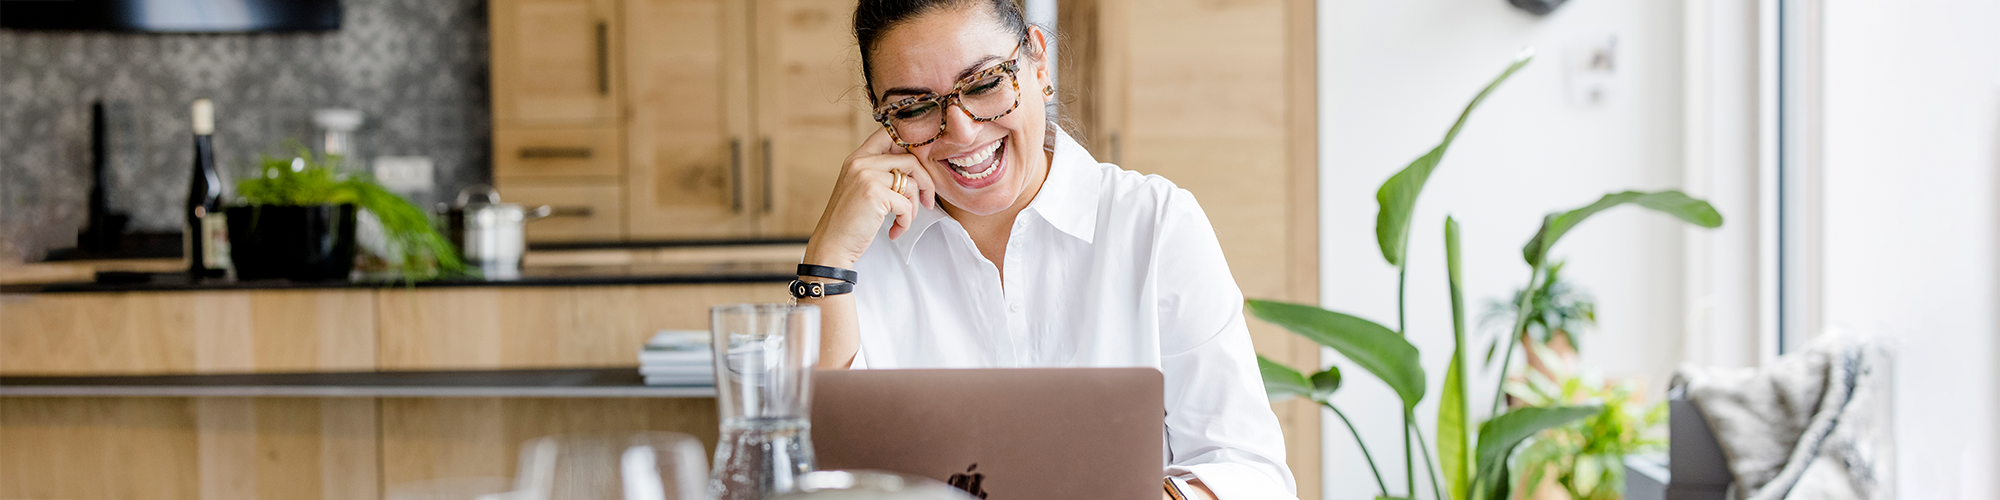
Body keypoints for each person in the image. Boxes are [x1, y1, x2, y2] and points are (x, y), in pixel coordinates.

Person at [792, 1, 1296, 498]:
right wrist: (827, 258)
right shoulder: (856, 265)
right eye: (915, 106)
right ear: (885, 118)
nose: (963, 130)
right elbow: (808, 472)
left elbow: (1251, 473)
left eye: (986, 82)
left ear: (1037, 61)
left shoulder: (1154, 224)